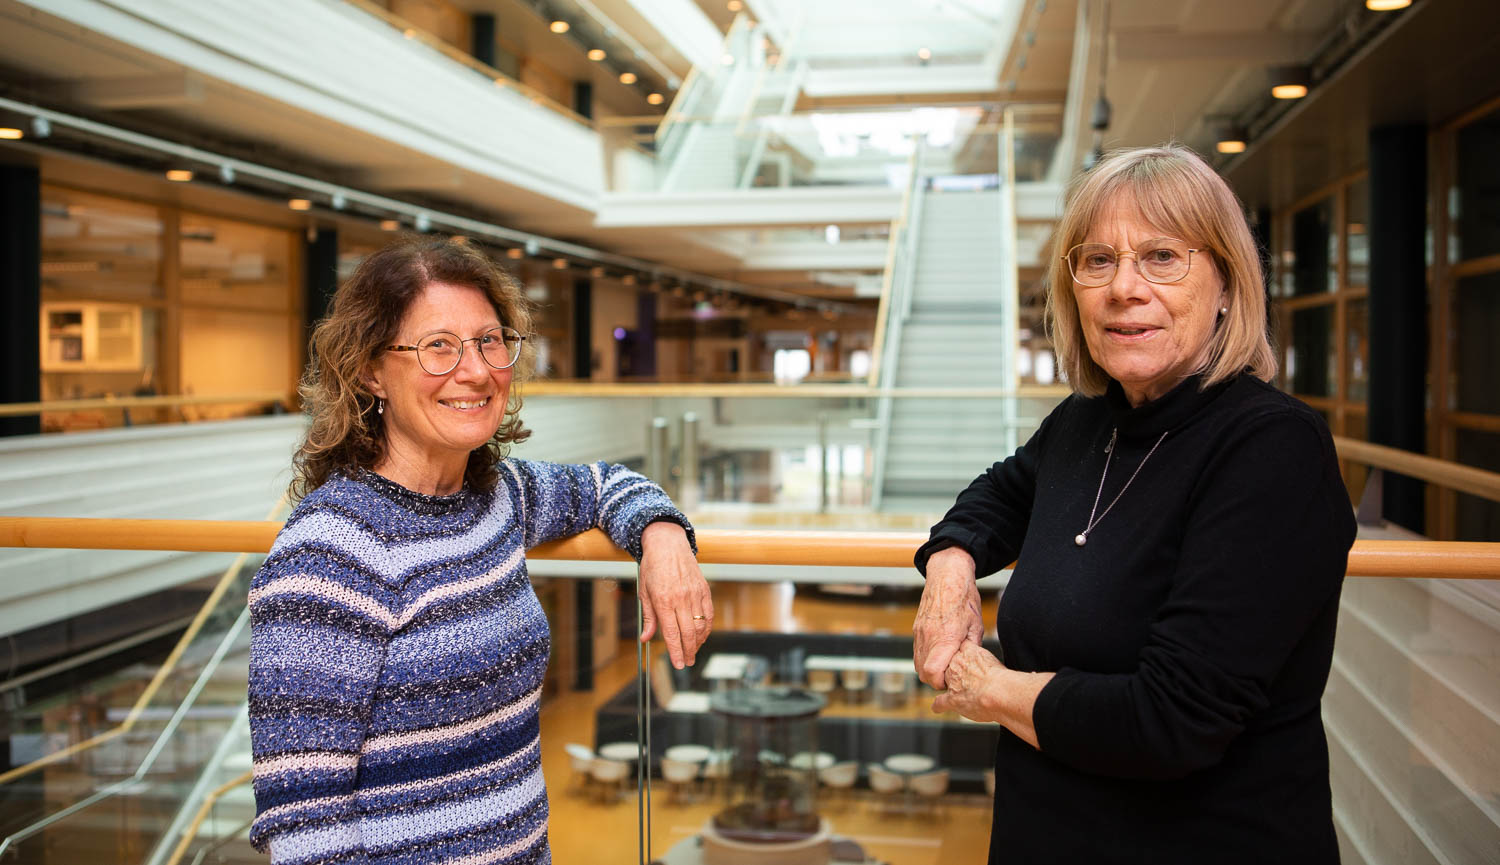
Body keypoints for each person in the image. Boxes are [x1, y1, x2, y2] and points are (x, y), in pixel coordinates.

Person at [912, 145, 1356, 863]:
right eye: (1097, 261)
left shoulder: (1274, 450)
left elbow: (1169, 720)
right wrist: (952, 566)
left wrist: (986, 685)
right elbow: (999, 490)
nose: (1125, 288)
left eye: (1161, 257)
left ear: (1225, 284)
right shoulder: (1090, 420)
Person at [246, 238, 713, 865]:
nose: (474, 370)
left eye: (490, 341)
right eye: (438, 347)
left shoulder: (497, 498)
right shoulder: (327, 557)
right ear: (369, 370)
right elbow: (303, 828)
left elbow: (608, 485)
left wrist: (662, 537)